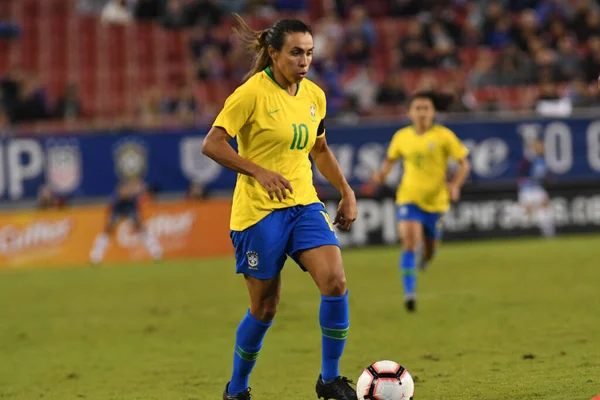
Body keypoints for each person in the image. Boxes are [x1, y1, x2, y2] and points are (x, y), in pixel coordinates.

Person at [201, 14, 358, 400]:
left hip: (303, 203)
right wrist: (258, 172)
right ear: (273, 54)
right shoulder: (251, 93)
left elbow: (319, 149)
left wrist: (346, 189)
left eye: (309, 53)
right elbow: (213, 144)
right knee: (265, 308)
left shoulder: (314, 96)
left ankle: (330, 380)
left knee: (335, 282)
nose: (304, 62)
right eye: (295, 53)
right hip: (258, 212)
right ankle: (236, 390)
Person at [371, 93, 470, 312]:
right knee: (408, 241)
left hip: (436, 203)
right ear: (410, 112)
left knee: (429, 249)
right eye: (418, 108)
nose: (422, 112)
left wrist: (455, 185)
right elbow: (390, 160)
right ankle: (410, 293)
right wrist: (381, 175)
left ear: (433, 112)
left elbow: (464, 164)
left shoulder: (444, 136)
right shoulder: (402, 137)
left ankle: (426, 259)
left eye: (426, 108)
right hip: (409, 198)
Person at [89, 178, 163, 264]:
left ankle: (156, 252)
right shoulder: (115, 199)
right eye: (123, 189)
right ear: (119, 189)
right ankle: (95, 256)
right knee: (107, 230)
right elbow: (113, 207)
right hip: (118, 210)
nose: (125, 190)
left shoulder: (133, 196)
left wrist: (142, 190)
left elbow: (145, 192)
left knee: (141, 228)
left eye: (126, 188)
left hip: (130, 209)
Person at [517, 139, 555, 238]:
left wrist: (548, 178)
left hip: (537, 188)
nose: (542, 148)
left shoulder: (541, 159)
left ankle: (548, 233)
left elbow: (545, 175)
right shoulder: (528, 159)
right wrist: (524, 184)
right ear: (534, 147)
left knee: (546, 208)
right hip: (528, 189)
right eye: (540, 146)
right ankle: (520, 234)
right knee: (527, 214)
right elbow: (520, 174)